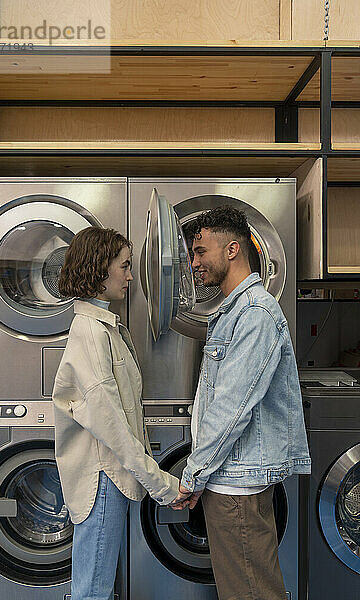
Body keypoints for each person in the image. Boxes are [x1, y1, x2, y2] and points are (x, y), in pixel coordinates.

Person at [171, 206, 311, 600]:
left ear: (232, 250)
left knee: (250, 592)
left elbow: (232, 408)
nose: (194, 261)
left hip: (237, 483)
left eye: (200, 251)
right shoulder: (234, 312)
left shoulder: (254, 315)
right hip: (230, 476)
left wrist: (193, 474)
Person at [52, 226, 189, 600]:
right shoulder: (91, 334)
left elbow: (122, 416)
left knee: (93, 588)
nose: (130, 276)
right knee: (92, 592)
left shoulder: (102, 327)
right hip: (102, 479)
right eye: (125, 267)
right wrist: (161, 485)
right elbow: (112, 426)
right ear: (100, 270)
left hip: (110, 476)